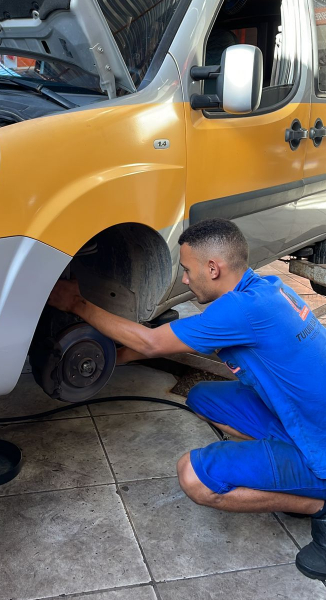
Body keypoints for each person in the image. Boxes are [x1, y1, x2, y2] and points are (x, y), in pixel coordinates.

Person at [48, 218, 326, 581]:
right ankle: (286, 463)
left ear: (213, 269)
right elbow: (163, 342)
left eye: (186, 269)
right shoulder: (265, 291)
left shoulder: (239, 312)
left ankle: (317, 503)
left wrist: (77, 304)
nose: (183, 278)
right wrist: (113, 357)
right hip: (306, 419)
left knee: (195, 477)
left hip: (319, 444)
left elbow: (151, 342)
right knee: (202, 397)